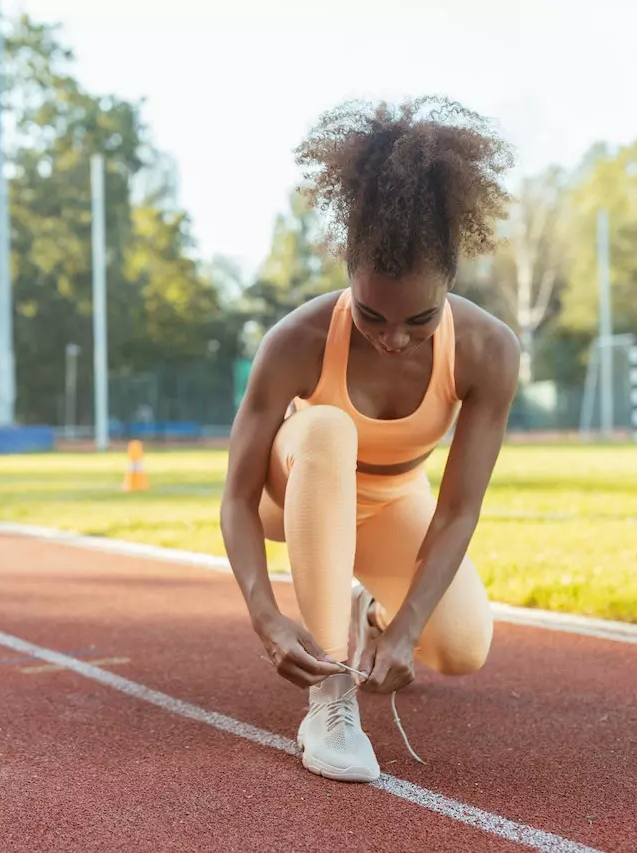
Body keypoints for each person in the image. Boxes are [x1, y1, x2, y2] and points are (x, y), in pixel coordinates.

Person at [219, 96, 520, 783]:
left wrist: (409, 624)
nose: (393, 338)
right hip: (289, 488)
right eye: (370, 314)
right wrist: (267, 617)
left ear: (450, 282)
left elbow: (457, 509)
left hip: (390, 499)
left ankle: (363, 610)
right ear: (349, 272)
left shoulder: (487, 351)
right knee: (326, 428)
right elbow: (236, 499)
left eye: (420, 318)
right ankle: (329, 698)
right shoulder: (294, 340)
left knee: (463, 645)